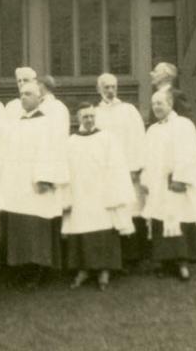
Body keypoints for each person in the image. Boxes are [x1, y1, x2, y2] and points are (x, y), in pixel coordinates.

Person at [0, 79, 69, 281]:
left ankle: (38, 271)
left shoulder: (48, 122)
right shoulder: (15, 123)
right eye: (21, 94)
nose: (23, 97)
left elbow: (52, 152)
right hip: (17, 187)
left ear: (39, 97)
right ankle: (20, 269)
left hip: (37, 186)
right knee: (19, 228)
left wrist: (45, 178)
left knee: (36, 228)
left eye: (28, 94)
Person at [63, 104, 135, 289]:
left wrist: (113, 192)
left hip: (102, 193)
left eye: (91, 116)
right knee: (81, 228)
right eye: (85, 116)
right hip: (80, 194)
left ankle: (104, 271)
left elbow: (116, 166)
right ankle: (84, 270)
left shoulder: (107, 138)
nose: (89, 120)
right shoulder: (71, 142)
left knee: (103, 229)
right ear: (78, 118)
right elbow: (66, 170)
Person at [142, 88, 196, 280]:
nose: (156, 107)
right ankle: (164, 262)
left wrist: (181, 178)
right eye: (154, 103)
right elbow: (148, 157)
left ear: (170, 104)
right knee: (160, 218)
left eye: (160, 103)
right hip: (158, 184)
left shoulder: (184, 125)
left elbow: (190, 154)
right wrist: (147, 179)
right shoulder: (153, 130)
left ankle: (182, 262)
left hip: (177, 182)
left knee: (179, 218)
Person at [93, 73, 147, 265]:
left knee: (131, 207)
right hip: (106, 171)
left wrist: (135, 167)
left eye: (113, 87)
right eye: (106, 87)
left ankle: (134, 256)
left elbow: (138, 138)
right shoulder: (95, 113)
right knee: (111, 208)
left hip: (128, 168)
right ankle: (115, 255)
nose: (110, 90)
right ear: (99, 89)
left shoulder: (128, 110)